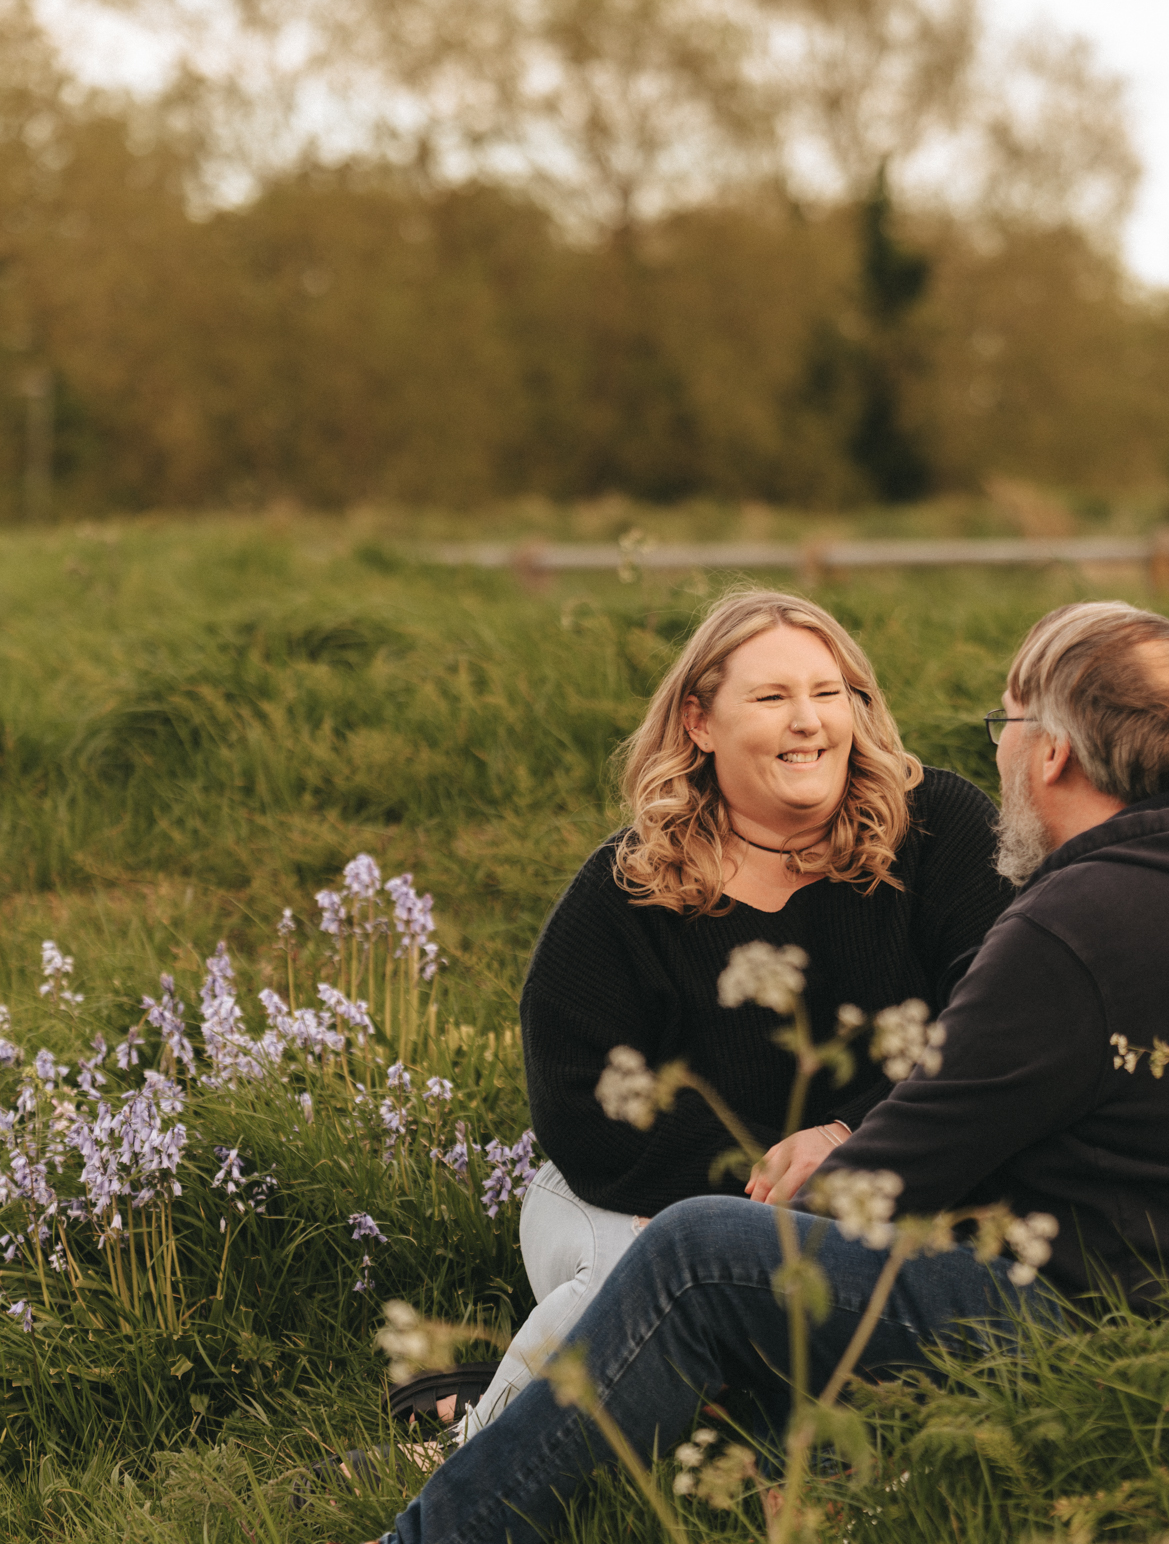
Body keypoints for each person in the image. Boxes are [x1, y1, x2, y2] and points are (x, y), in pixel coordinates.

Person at [163, 599, 1169, 1544]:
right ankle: (805, 1490)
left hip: (1111, 1333)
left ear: (1050, 753)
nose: (996, 763)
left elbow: (895, 1172)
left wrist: (802, 1175)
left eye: (1004, 734)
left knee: (696, 1259)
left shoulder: (1081, 917)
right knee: (735, 1276)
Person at [420, 586, 1008, 1450]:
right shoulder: (630, 886)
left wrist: (850, 1135)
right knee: (637, 1272)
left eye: (829, 692)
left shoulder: (940, 829)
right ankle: (468, 1458)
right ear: (699, 723)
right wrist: (743, 1202)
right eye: (772, 698)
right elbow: (579, 1101)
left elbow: (994, 1014)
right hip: (622, 1195)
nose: (809, 721)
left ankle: (521, 1430)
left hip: (877, 1184)